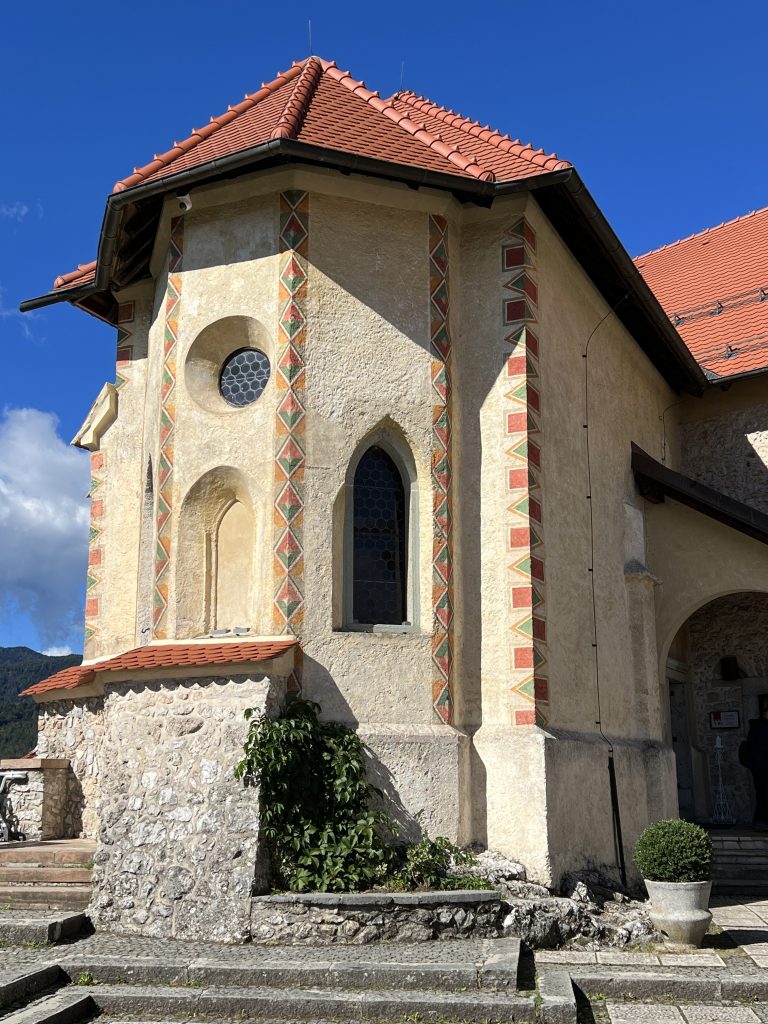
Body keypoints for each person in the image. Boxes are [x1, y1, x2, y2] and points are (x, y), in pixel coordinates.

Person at [744, 700, 768, 829]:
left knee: (762, 793)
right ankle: (761, 821)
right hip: (762, 766)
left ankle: (760, 820)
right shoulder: (761, 728)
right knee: (764, 793)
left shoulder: (756, 727)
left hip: (758, 766)